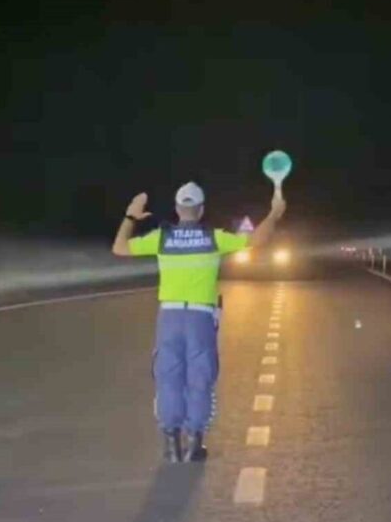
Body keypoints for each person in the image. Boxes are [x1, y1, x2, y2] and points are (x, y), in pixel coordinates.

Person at [112, 181, 287, 462]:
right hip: (200, 319)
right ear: (201, 209)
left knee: (168, 379)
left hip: (169, 318)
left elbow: (119, 248)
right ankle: (194, 444)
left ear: (177, 209)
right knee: (200, 379)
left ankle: (171, 445)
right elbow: (257, 240)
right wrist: (274, 215)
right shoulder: (213, 237)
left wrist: (131, 215)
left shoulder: (161, 238)